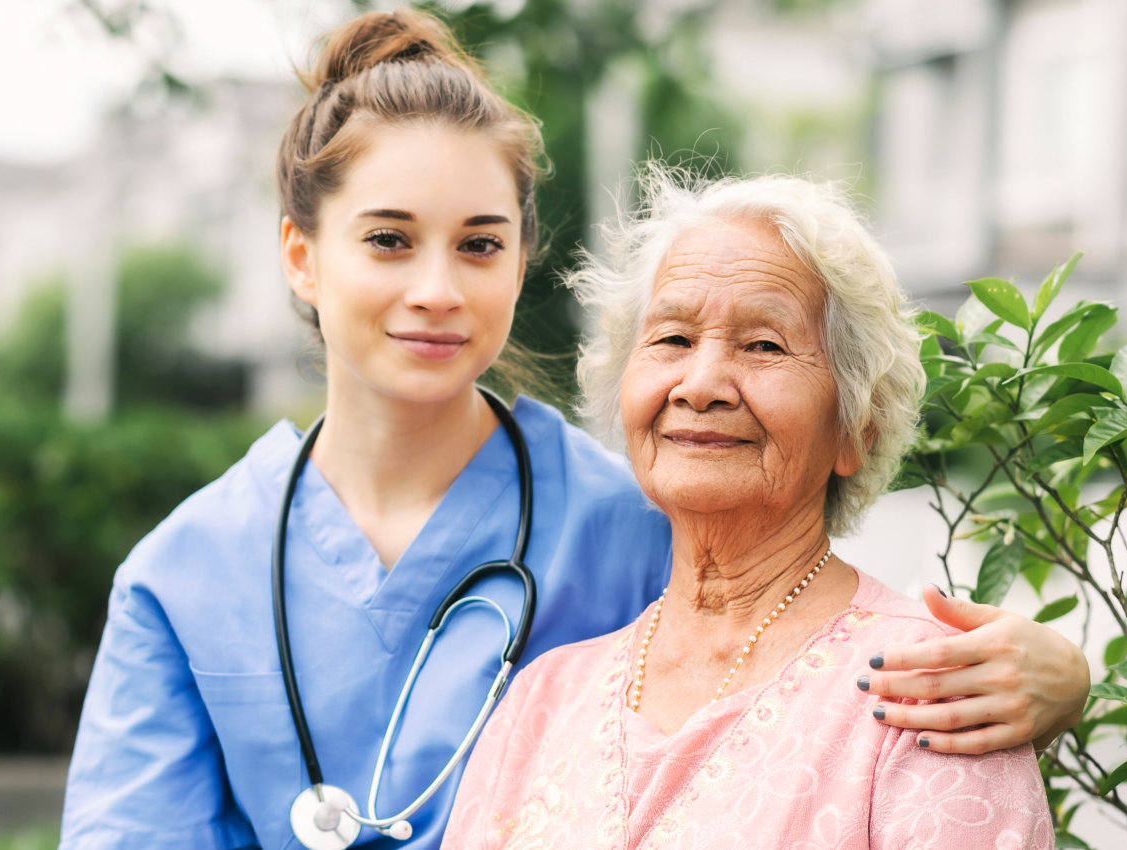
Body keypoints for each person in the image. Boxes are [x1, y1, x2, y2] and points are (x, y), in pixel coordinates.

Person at [60, 9, 1083, 849]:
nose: (434, 289)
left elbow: (811, 665)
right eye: (387, 240)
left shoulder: (637, 517)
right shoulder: (186, 574)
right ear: (299, 253)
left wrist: (1063, 675)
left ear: (521, 260)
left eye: (479, 244)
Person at [441, 172, 1053, 848]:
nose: (699, 385)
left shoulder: (931, 690)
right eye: (672, 339)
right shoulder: (542, 700)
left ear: (858, 427)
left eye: (764, 345)